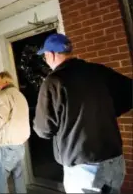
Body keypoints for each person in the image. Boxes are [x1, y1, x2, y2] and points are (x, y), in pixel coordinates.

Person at [33, 33, 133, 193]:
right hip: (114, 160)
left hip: (82, 165)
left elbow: (43, 129)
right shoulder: (98, 71)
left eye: (45, 56)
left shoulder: (54, 81)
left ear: (51, 55)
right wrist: (108, 111)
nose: (46, 60)